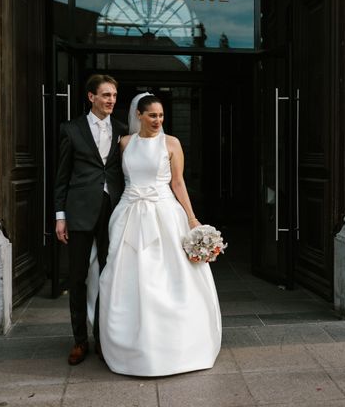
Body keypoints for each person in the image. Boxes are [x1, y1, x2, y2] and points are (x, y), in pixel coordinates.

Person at [99, 93, 221, 376]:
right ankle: (129, 346)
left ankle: (179, 345)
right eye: (152, 115)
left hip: (165, 214)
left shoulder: (172, 144)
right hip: (129, 214)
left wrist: (191, 218)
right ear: (138, 115)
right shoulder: (125, 143)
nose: (158, 120)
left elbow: (178, 183)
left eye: (161, 116)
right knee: (127, 278)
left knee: (170, 276)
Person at [54, 74, 128, 366]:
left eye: (113, 95)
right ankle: (79, 341)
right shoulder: (71, 130)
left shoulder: (123, 131)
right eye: (106, 95)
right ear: (91, 97)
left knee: (110, 277)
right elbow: (61, 176)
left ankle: (102, 338)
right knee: (77, 277)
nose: (111, 100)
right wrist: (61, 216)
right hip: (80, 212)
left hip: (113, 212)